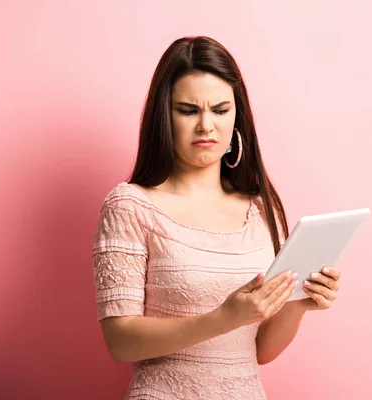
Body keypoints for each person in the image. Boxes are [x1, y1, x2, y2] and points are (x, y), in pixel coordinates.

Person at [91, 36, 342, 400]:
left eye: (220, 110)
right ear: (164, 117)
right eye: (189, 110)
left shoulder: (261, 209)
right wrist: (223, 318)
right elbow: (120, 341)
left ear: (237, 119)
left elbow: (261, 351)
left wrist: (299, 302)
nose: (206, 125)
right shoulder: (130, 206)